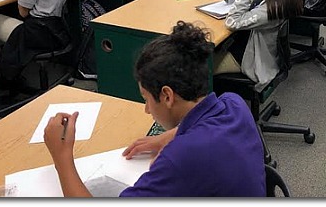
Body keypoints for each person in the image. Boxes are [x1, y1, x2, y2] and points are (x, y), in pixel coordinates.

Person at [43, 21, 266, 197]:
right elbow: (203, 126)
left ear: (167, 96)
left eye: (147, 99)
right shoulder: (234, 104)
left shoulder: (180, 158)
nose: (147, 110)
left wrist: (62, 157)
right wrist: (169, 136)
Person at [208, 0, 303, 91]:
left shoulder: (271, 9)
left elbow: (232, 22)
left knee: (200, 68)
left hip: (250, 58)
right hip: (247, 43)